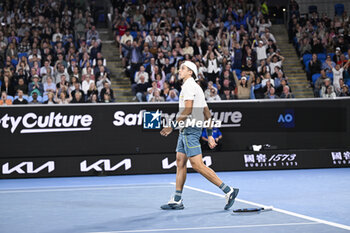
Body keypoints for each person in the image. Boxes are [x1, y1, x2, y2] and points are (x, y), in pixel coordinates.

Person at [159, 61, 238, 210]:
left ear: (190, 72)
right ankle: (177, 199)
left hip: (189, 129)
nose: (179, 70)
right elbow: (207, 114)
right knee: (180, 161)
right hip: (186, 130)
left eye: (183, 68)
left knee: (197, 165)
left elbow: (188, 110)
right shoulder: (197, 88)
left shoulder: (189, 86)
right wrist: (209, 135)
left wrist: (172, 126)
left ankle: (229, 190)